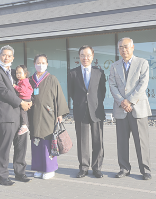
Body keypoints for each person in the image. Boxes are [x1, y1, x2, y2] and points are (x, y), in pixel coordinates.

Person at [109, 37, 152, 180]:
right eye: (120, 47)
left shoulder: (142, 63)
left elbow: (143, 84)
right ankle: (124, 168)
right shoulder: (114, 66)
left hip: (138, 108)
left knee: (142, 141)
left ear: (132, 47)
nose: (123, 49)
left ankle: (145, 170)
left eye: (126, 46)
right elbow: (112, 85)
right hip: (121, 109)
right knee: (122, 141)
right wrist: (122, 102)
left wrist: (130, 101)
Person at [0, 45, 32, 186]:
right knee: (5, 146)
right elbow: (4, 92)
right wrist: (21, 102)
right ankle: (2, 176)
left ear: (13, 58)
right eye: (4, 55)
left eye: (9, 55)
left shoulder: (16, 72)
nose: (6, 57)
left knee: (21, 146)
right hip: (6, 115)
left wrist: (29, 101)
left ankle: (20, 172)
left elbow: (25, 86)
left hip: (21, 115)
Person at [68, 45, 106, 178]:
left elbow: (102, 92)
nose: (85, 58)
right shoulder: (72, 73)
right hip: (80, 110)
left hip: (96, 111)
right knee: (82, 141)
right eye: (82, 55)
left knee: (98, 141)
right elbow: (71, 92)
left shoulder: (99, 72)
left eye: (88, 55)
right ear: (79, 57)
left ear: (93, 56)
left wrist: (94, 102)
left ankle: (97, 168)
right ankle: (83, 167)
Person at [29, 54, 69, 180]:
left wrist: (59, 113)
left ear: (47, 64)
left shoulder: (52, 79)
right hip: (34, 114)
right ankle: (39, 167)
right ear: (34, 64)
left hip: (49, 114)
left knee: (48, 140)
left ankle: (50, 168)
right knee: (36, 140)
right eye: (38, 62)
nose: (40, 65)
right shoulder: (30, 79)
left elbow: (59, 97)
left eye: (43, 63)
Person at [13, 65, 33, 135]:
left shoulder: (24, 81)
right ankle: (25, 124)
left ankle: (24, 125)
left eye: (20, 73)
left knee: (23, 112)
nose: (18, 75)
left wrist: (15, 87)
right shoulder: (21, 80)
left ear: (25, 74)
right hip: (24, 97)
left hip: (25, 98)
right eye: (17, 73)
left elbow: (22, 90)